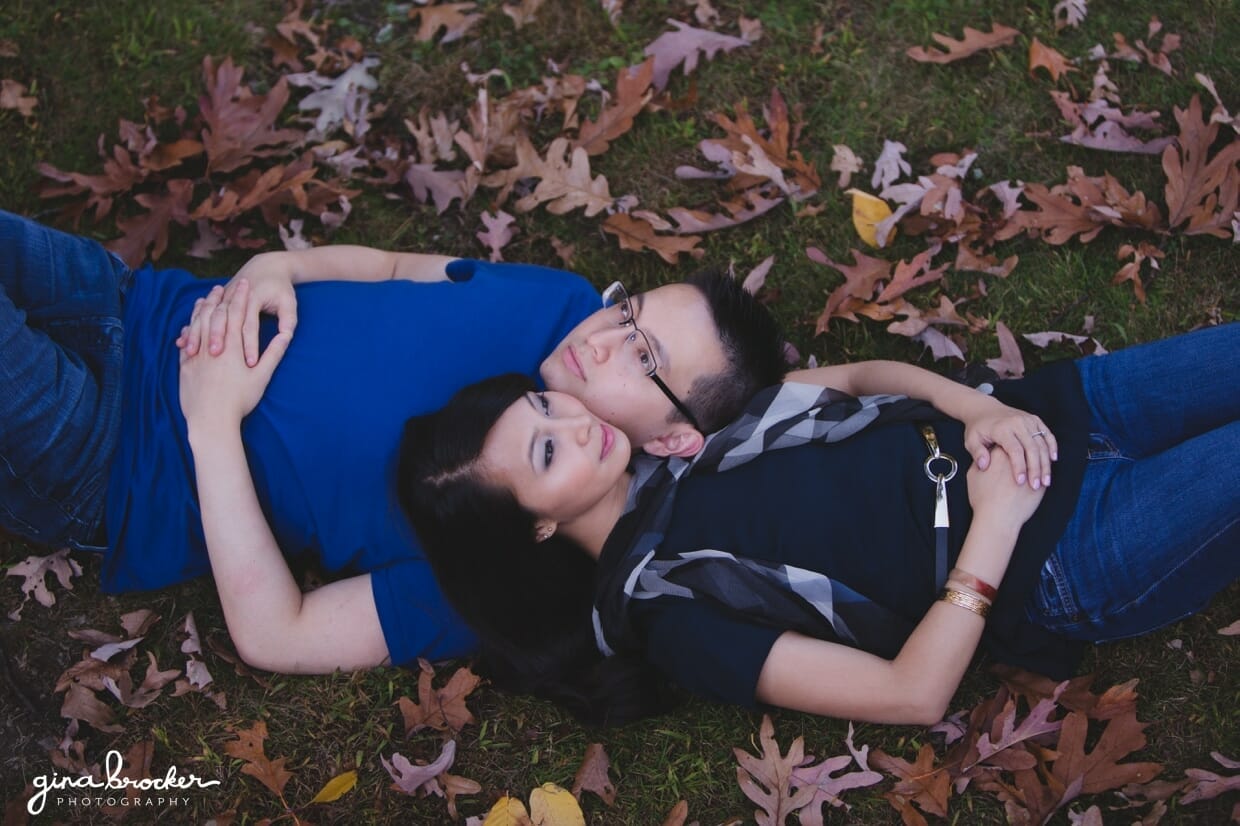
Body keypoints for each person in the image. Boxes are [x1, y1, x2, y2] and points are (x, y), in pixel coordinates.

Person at [0, 209, 784, 674]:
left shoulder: (514, 539)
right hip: (131, 298)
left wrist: (210, 426)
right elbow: (397, 266)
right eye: (629, 311)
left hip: (114, 455)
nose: (604, 338)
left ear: (677, 438)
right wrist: (276, 268)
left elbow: (282, 634)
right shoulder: (562, 302)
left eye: (644, 358)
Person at [398, 318, 1240, 726]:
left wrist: (972, 410)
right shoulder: (669, 616)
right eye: (548, 455)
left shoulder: (679, 435)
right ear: (536, 529)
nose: (576, 424)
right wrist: (996, 526)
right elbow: (910, 695)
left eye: (545, 406)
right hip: (1064, 552)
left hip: (1050, 411)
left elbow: (858, 375)